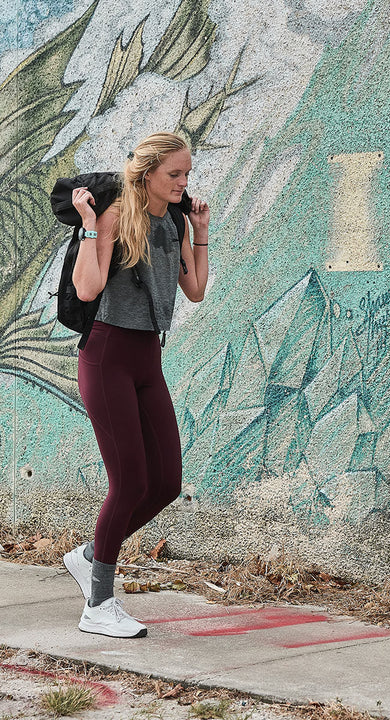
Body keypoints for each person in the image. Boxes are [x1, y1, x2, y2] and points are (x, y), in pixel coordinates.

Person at [62, 132, 210, 638]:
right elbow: (87, 288)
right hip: (107, 359)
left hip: (148, 359)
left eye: (187, 173)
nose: (184, 182)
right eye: (175, 174)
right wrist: (88, 227)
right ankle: (97, 605)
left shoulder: (172, 221)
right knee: (128, 483)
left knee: (165, 481)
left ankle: (91, 556)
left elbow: (195, 290)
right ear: (147, 173)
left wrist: (200, 231)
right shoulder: (115, 216)